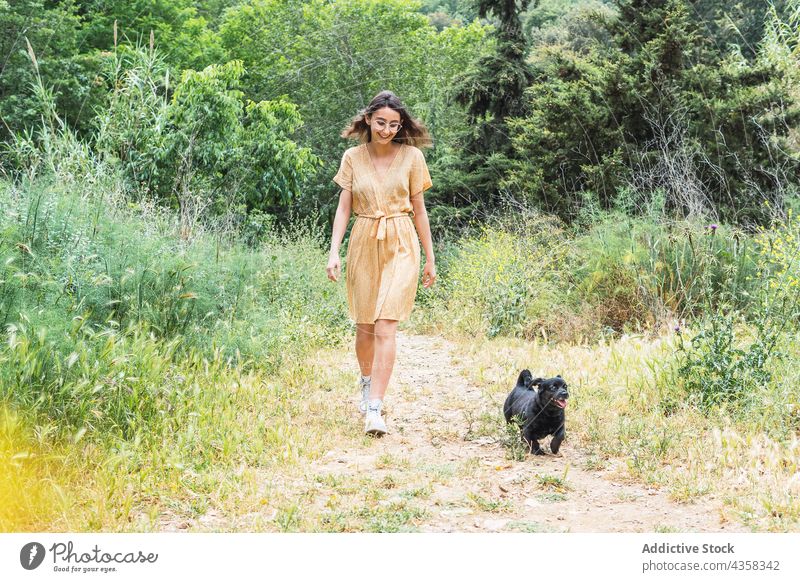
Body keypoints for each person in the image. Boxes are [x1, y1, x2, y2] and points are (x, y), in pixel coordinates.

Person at [326, 90, 436, 436]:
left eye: (394, 124)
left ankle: (375, 408)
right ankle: (366, 380)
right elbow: (344, 207)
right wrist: (333, 251)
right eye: (381, 123)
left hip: (402, 240)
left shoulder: (413, 157)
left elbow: (419, 210)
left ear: (401, 125)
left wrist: (430, 256)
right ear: (368, 120)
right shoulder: (352, 157)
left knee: (387, 324)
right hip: (363, 237)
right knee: (365, 326)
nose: (387, 130)